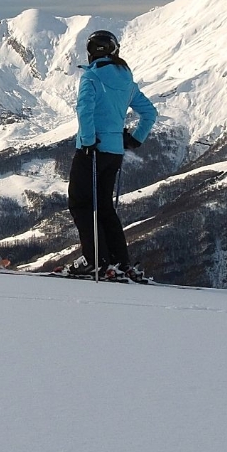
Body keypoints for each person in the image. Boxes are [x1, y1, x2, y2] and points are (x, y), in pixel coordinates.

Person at [64, 29, 157, 281]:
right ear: (114, 50)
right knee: (104, 207)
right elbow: (150, 113)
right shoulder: (126, 79)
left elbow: (84, 109)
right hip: (114, 152)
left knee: (81, 204)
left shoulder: (91, 77)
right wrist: (134, 139)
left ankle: (96, 261)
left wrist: (87, 140)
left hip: (91, 150)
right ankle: (119, 261)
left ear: (91, 52)